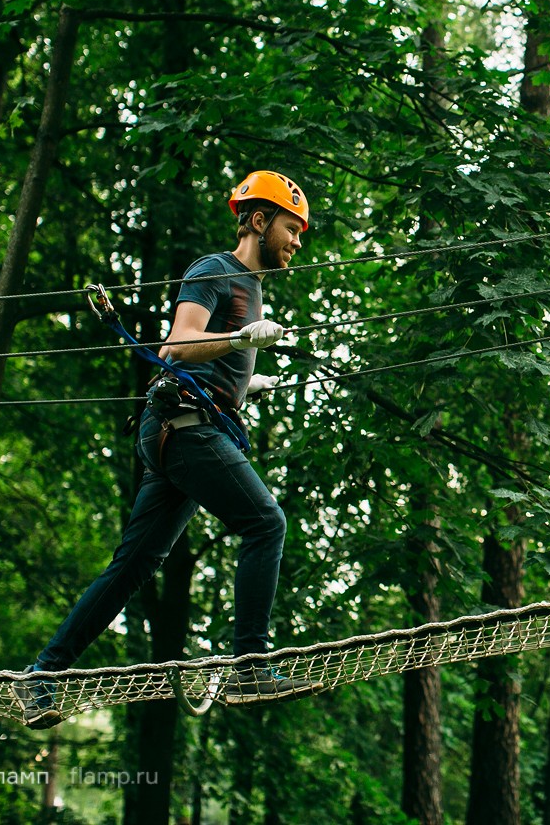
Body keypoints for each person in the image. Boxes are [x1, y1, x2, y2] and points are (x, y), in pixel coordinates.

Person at [16, 170, 321, 727]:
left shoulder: (250, 287)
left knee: (134, 564)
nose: (297, 242)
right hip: (184, 429)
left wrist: (240, 383)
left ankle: (43, 677)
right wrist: (238, 341)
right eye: (290, 228)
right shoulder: (216, 270)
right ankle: (252, 667)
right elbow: (178, 344)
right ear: (258, 221)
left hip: (185, 427)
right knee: (266, 523)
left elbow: (205, 358)